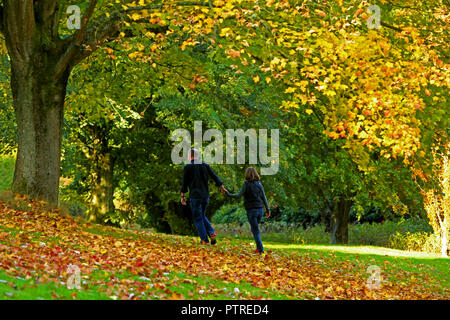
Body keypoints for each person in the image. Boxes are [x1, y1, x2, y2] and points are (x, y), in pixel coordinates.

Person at [180, 149, 227, 245]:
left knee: (198, 218)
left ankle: (205, 240)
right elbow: (214, 176)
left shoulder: (188, 167)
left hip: (195, 196)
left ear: (190, 156)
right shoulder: (205, 166)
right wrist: (222, 187)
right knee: (202, 216)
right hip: (205, 196)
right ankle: (211, 233)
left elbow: (184, 183)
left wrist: (182, 196)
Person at [226, 167, 270, 254]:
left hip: (251, 210)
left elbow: (239, 195)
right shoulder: (259, 184)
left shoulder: (246, 184)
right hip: (260, 210)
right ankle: (259, 249)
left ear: (247, 174)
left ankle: (260, 250)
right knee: (255, 229)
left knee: (255, 230)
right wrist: (268, 210)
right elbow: (264, 197)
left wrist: (228, 194)